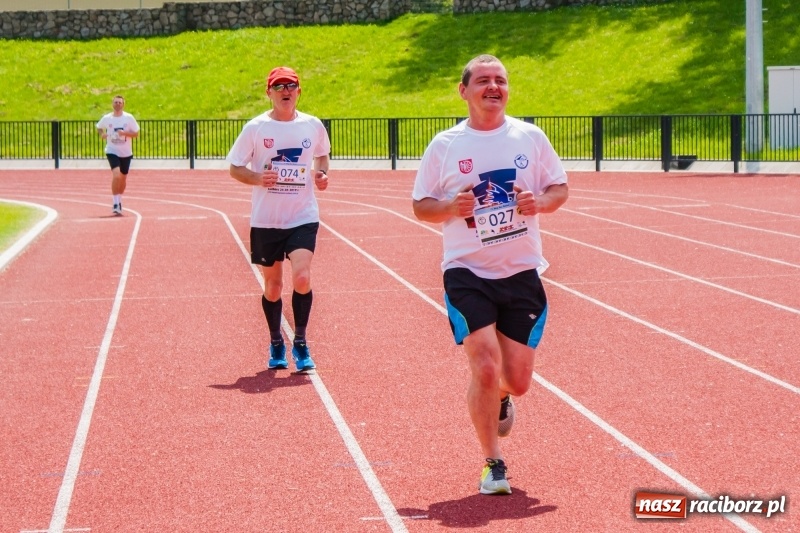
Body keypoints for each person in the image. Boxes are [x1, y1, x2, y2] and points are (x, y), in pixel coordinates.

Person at [411, 54, 569, 495]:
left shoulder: (529, 137)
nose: (493, 87)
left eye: (500, 80)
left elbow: (560, 188)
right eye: (483, 80)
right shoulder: (445, 145)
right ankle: (492, 463)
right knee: (483, 365)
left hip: (521, 271)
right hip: (467, 272)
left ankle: (500, 396)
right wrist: (450, 208)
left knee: (515, 381)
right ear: (464, 91)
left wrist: (540, 202)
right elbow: (421, 205)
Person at [227, 66, 331, 373]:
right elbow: (235, 167)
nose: (285, 90)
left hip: (302, 216)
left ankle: (300, 341)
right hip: (266, 220)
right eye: (279, 86)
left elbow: (322, 155)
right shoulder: (256, 128)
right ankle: (276, 341)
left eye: (291, 85)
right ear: (269, 92)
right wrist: (260, 178)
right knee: (272, 287)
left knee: (301, 277)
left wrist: (323, 174)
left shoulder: (312, 125)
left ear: (299, 91)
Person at [96, 95, 140, 215]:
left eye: (120, 102)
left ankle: (119, 198)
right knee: (116, 175)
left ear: (123, 104)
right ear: (112, 104)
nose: (118, 104)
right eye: (116, 102)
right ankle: (115, 203)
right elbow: (99, 127)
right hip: (112, 150)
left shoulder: (128, 118)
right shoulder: (107, 118)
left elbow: (136, 133)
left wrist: (124, 133)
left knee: (123, 178)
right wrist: (102, 134)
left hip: (126, 153)